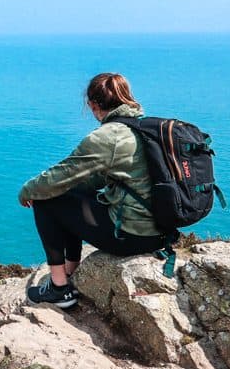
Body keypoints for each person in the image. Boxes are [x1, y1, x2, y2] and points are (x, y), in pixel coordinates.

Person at [18, 73, 176, 308]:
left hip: (132, 237)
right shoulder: (145, 128)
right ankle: (71, 270)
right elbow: (96, 180)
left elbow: (60, 176)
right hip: (161, 233)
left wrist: (28, 190)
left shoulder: (108, 136)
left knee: (45, 199)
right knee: (68, 193)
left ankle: (59, 288)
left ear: (93, 105)